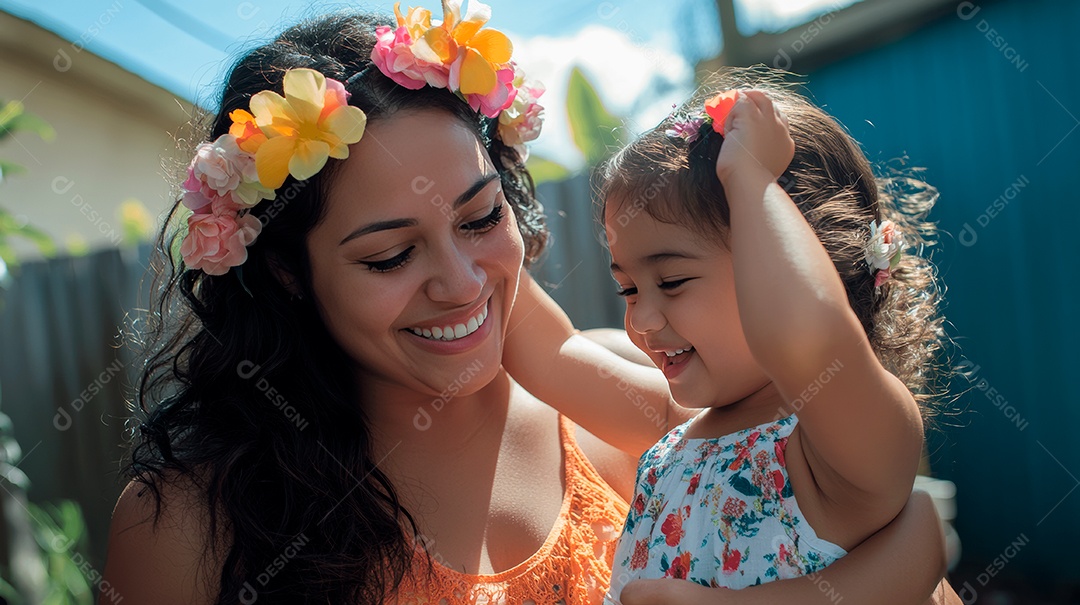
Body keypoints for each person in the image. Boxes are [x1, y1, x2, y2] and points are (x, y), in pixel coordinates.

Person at [101, 8, 957, 605]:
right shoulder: (185, 531)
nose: (465, 283)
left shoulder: (646, 409)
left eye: (481, 217)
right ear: (286, 271)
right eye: (392, 254)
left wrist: (911, 545)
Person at [503, 73, 951, 603]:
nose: (642, 318)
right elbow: (550, 351)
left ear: (807, 262)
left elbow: (805, 337)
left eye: (671, 282)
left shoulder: (846, 450)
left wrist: (750, 179)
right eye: (627, 289)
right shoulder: (676, 429)